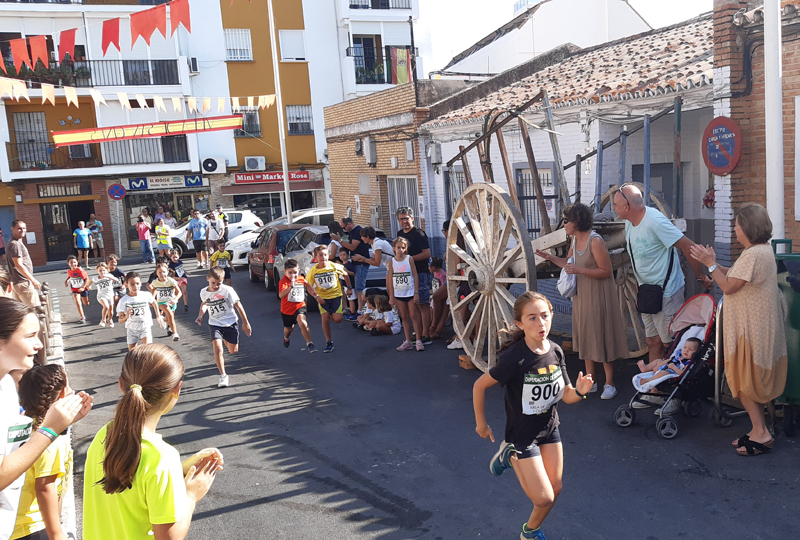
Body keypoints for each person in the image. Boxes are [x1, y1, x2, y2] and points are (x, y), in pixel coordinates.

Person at [472, 292, 593, 540]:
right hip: (522, 435)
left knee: (555, 489)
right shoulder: (515, 358)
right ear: (520, 323)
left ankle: (530, 532)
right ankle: (511, 455)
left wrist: (580, 392)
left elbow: (566, 395)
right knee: (543, 497)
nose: (541, 323)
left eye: (545, 316)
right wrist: (481, 424)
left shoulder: (556, 351)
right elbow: (479, 386)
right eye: (532, 318)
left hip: (549, 429)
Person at [82, 344, 222, 540]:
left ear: (121, 385)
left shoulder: (104, 434)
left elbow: (135, 480)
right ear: (177, 389)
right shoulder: (162, 458)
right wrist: (191, 496)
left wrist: (179, 470)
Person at [690, 202, 788, 456]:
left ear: (748, 227)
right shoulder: (761, 251)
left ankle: (762, 434)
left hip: (750, 331)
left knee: (743, 381)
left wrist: (711, 264)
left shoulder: (754, 254)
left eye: (737, 225)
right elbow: (734, 276)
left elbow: (728, 286)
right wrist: (712, 264)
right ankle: (757, 430)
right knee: (748, 380)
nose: (734, 229)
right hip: (756, 328)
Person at [0, 297, 92, 540]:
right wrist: (49, 431)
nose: (39, 344)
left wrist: (62, 422)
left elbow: (14, 445)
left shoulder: (7, 386)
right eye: (30, 336)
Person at [536, 203, 629, 400]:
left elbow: (606, 271)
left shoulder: (595, 241)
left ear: (577, 222)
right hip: (582, 296)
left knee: (603, 334)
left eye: (566, 220)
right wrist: (550, 258)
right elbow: (569, 264)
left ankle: (610, 383)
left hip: (599, 295)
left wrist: (580, 271)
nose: (563, 224)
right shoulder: (574, 240)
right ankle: (590, 380)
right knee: (586, 333)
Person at [613, 184, 712, 366]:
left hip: (667, 293)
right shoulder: (629, 223)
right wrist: (638, 285)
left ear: (626, 207)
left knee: (670, 343)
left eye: (615, 205)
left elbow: (689, 246)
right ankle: (655, 381)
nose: (613, 208)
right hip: (647, 292)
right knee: (652, 341)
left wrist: (701, 276)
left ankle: (672, 379)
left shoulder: (655, 221)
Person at [13, 364, 73, 540]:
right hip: (34, 527)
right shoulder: (50, 438)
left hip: (14, 525)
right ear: (63, 395)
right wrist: (56, 533)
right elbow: (45, 487)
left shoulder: (20, 426)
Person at [196, 267, 252, 387]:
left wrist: (245, 323)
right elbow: (204, 303)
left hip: (230, 323)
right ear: (207, 279)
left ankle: (224, 338)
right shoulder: (203, 292)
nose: (216, 286)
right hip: (215, 324)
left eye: (219, 283)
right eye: (213, 283)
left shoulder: (227, 290)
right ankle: (223, 376)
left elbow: (239, 306)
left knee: (233, 350)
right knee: (218, 349)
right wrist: (200, 315)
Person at [395, 207, 433, 346]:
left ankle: (426, 335)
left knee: (423, 304)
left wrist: (409, 259)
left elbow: (427, 253)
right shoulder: (400, 234)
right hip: (407, 275)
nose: (404, 221)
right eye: (401, 219)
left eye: (406, 218)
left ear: (412, 218)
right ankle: (418, 333)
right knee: (413, 307)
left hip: (421, 273)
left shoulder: (419, 234)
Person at [304, 245, 350, 354]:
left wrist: (349, 287)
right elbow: (308, 285)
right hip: (323, 298)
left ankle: (331, 313)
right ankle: (329, 342)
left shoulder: (333, 266)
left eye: (325, 255)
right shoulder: (313, 271)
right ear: (316, 257)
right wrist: (316, 297)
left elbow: (345, 274)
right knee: (324, 320)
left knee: (337, 319)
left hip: (336, 296)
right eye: (320, 255)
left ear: (328, 256)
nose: (323, 257)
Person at [387, 236, 424, 352]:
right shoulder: (392, 262)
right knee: (404, 316)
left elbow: (415, 276)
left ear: (406, 248)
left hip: (410, 292)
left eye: (403, 248)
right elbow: (390, 280)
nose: (401, 250)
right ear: (394, 248)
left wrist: (416, 292)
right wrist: (391, 296)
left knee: (414, 315)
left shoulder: (409, 259)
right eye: (398, 248)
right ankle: (407, 341)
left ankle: (418, 340)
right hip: (399, 293)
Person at [330, 217, 370, 319]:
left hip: (361, 263)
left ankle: (360, 311)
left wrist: (339, 240)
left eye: (344, 227)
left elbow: (352, 247)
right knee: (357, 287)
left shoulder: (357, 231)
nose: (344, 230)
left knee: (360, 287)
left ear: (348, 224)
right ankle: (358, 310)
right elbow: (348, 245)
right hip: (355, 262)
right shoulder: (352, 232)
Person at [632, 337, 701, 395]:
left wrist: (674, 367)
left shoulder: (688, 363)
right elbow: (668, 360)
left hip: (672, 373)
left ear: (696, 353)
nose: (686, 350)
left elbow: (683, 373)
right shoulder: (679, 355)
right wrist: (658, 366)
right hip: (666, 367)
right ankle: (646, 368)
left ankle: (648, 380)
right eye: (685, 347)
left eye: (690, 350)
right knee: (658, 360)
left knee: (663, 373)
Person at [117, 272, 164, 351]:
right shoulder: (123, 300)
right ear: (126, 285)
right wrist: (126, 316)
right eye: (132, 284)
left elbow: (154, 302)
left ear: (141, 283)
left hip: (145, 326)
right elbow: (120, 320)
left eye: (137, 283)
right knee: (132, 352)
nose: (135, 286)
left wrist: (158, 315)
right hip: (132, 329)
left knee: (148, 349)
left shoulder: (146, 295)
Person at [278, 259, 316, 353]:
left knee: (303, 323)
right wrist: (291, 286)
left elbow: (308, 285)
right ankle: (286, 337)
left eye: (295, 272)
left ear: (298, 270)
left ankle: (309, 343)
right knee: (289, 328)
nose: (293, 275)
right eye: (290, 273)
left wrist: (316, 296)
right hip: (287, 309)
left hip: (299, 305)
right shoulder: (283, 282)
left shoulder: (300, 278)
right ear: (285, 272)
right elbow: (281, 295)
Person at [6, 221, 41, 308]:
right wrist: (33, 280)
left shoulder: (16, 242)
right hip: (23, 283)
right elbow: (18, 265)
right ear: (12, 229)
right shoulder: (15, 244)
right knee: (35, 310)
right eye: (19, 228)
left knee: (23, 312)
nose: (22, 230)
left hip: (19, 283)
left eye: (24, 228)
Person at [148, 263, 182, 342]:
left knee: (169, 317)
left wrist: (175, 299)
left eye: (163, 272)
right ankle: (175, 334)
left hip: (172, 302)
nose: (162, 274)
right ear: (156, 273)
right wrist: (152, 300)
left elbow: (179, 292)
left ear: (167, 272)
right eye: (159, 272)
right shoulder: (155, 282)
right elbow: (154, 291)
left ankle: (163, 320)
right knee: (170, 314)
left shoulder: (171, 281)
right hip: (161, 302)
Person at [64, 255, 91, 324]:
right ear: (68, 264)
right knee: (78, 302)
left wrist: (83, 287)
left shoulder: (80, 270)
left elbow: (86, 279)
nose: (73, 264)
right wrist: (66, 281)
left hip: (83, 288)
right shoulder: (69, 271)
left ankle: (84, 299)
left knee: (86, 303)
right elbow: (70, 276)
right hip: (75, 289)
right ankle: (82, 317)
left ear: (77, 262)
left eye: (74, 262)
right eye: (71, 262)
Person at [93, 262, 120, 328]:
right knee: (106, 306)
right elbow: (90, 281)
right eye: (100, 270)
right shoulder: (95, 278)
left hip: (110, 295)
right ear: (97, 271)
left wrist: (108, 276)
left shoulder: (109, 275)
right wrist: (88, 286)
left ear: (107, 270)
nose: (102, 272)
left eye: (104, 270)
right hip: (101, 296)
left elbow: (116, 280)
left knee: (111, 311)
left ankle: (110, 320)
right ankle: (103, 320)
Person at [428, 257, 448, 340]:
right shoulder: (435, 273)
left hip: (440, 295)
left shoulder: (442, 275)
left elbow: (444, 286)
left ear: (433, 267)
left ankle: (436, 328)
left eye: (429, 266)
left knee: (438, 310)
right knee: (431, 310)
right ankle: (432, 326)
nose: (428, 268)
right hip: (435, 293)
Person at [338, 250, 357, 316]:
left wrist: (346, 271)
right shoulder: (341, 265)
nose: (342, 257)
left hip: (350, 284)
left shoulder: (349, 265)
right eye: (341, 255)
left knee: (351, 299)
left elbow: (353, 273)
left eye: (344, 255)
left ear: (348, 255)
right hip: (344, 284)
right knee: (348, 298)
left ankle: (352, 313)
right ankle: (350, 311)